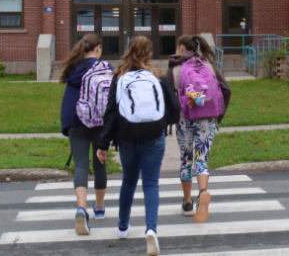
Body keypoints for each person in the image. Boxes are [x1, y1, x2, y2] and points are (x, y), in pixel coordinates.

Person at [97, 36, 180, 256]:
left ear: (128, 51)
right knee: (151, 183)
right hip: (154, 136)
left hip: (127, 137)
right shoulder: (157, 77)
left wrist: (103, 144)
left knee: (129, 181)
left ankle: (123, 227)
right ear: (149, 54)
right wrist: (163, 123)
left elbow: (111, 113)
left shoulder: (119, 77)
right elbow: (175, 107)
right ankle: (151, 230)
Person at [165, 35, 232, 223]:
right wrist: (219, 115)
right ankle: (203, 192)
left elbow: (166, 95)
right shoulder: (208, 66)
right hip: (208, 119)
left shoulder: (175, 69)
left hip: (184, 119)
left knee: (186, 159)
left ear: (180, 47)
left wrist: (170, 117)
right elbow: (227, 89)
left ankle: (187, 203)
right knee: (201, 159)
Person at [59, 33, 109, 236]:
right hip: (100, 122)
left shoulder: (73, 68)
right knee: (100, 164)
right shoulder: (105, 69)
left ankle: (81, 208)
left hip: (76, 120)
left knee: (81, 164)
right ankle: (99, 208)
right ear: (97, 48)